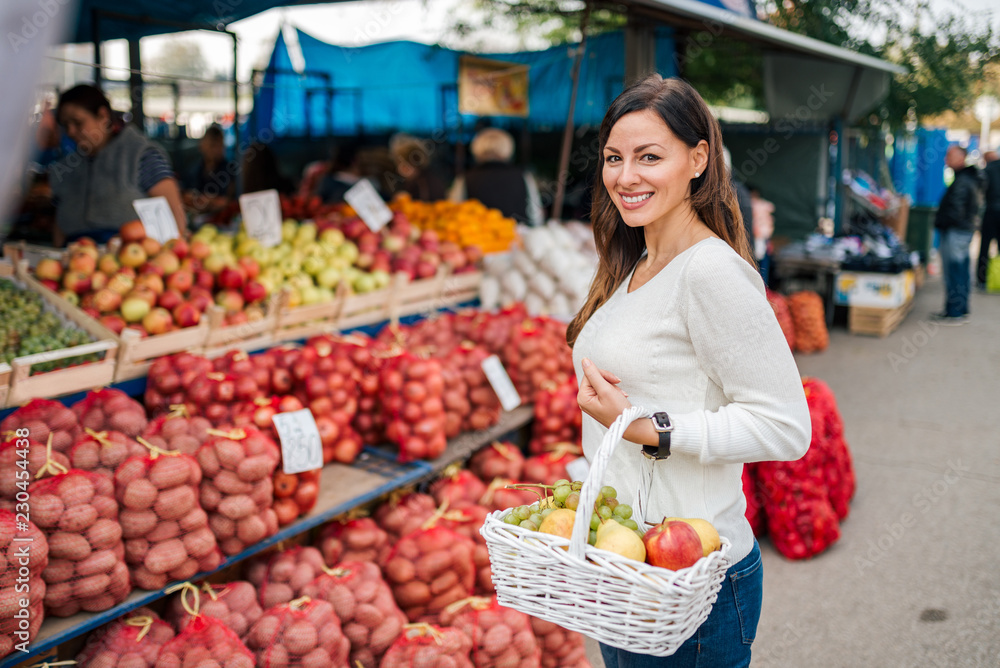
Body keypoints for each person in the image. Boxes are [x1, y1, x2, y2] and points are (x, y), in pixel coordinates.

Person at [567, 75, 810, 667]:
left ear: (698, 159)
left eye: (650, 157)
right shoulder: (637, 262)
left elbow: (786, 428)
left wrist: (649, 428)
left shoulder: (710, 273)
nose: (627, 177)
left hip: (694, 577)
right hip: (629, 564)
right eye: (614, 159)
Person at [49, 84, 187, 245]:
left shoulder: (142, 155)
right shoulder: (68, 166)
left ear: (103, 116)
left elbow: (175, 218)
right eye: (66, 125)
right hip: (75, 257)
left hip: (128, 259)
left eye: (78, 123)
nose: (71, 132)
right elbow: (58, 225)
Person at [449, 127, 543, 226]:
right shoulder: (523, 176)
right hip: (517, 237)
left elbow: (453, 214)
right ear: (508, 149)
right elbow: (536, 216)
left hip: (477, 238)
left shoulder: (466, 177)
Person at [932, 145, 981, 323]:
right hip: (961, 230)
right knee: (960, 270)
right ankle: (959, 309)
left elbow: (956, 210)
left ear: (961, 157)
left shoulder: (963, 180)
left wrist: (943, 222)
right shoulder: (966, 178)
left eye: (950, 155)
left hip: (956, 231)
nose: (946, 159)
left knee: (955, 271)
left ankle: (955, 311)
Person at [183, 124, 233, 214]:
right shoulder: (193, 170)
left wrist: (211, 201)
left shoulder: (230, 171)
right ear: (202, 145)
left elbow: (230, 202)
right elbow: (185, 196)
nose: (216, 150)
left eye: (220, 145)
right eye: (212, 145)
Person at [390, 133, 447, 201]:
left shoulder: (425, 184)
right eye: (399, 164)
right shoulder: (407, 181)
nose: (400, 169)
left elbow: (425, 205)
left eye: (405, 165)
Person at [976, 150, 999, 290]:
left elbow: (980, 192)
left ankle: (982, 279)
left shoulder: (987, 171)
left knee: (984, 246)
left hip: (991, 211)